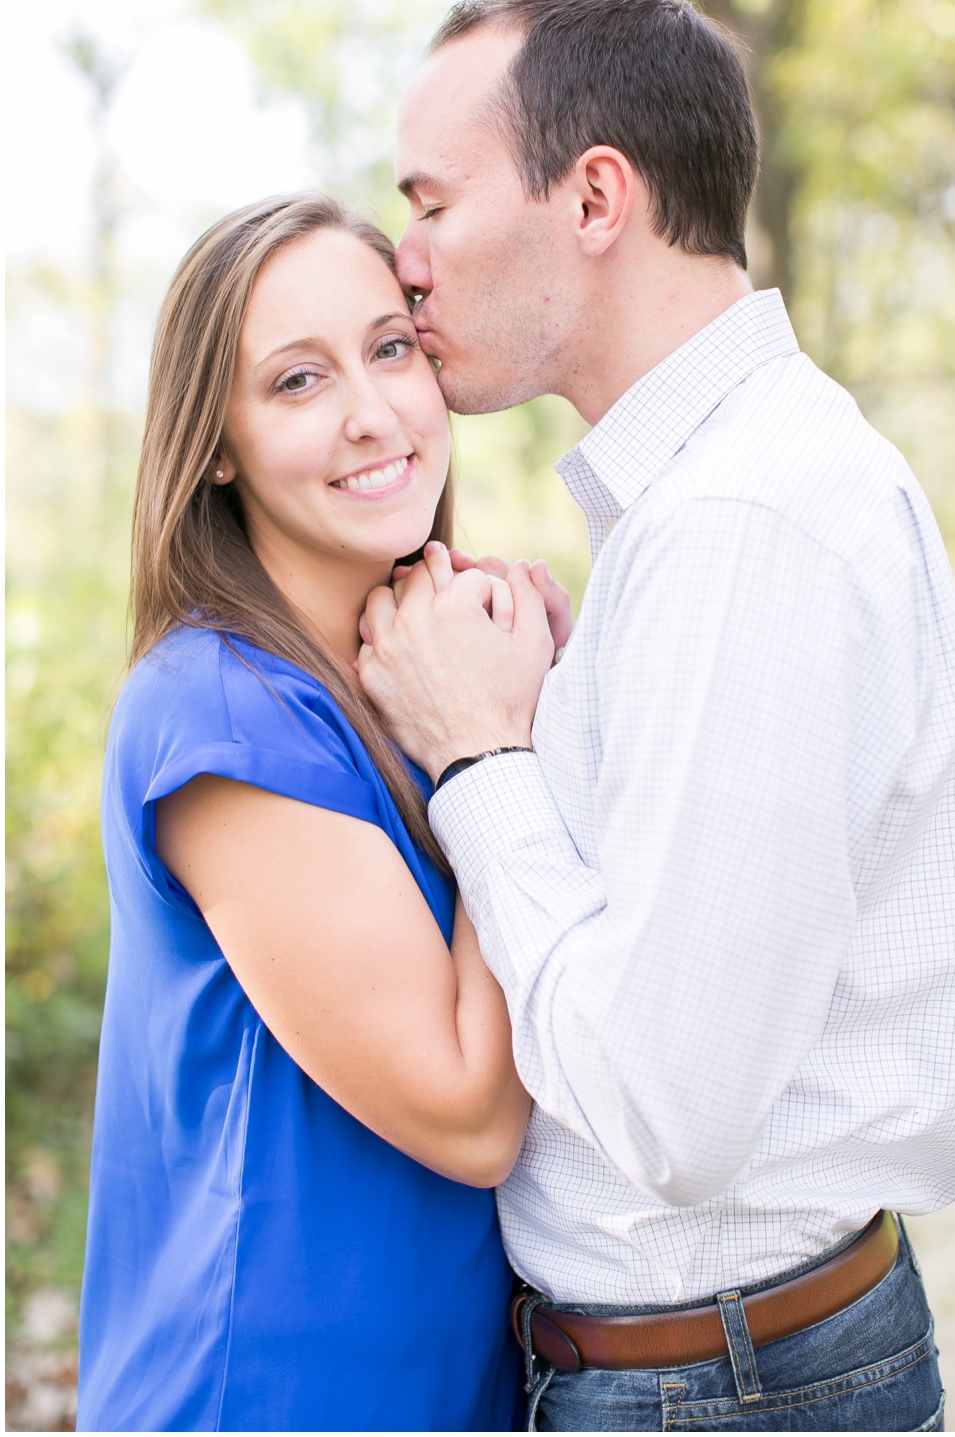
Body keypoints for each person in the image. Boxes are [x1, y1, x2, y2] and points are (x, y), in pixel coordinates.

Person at [353, 0, 955, 1432]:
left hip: (716, 1386)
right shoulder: (701, 504)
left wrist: (482, 755)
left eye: (433, 201)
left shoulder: (744, 522)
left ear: (595, 197)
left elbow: (668, 1109)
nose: (402, 260)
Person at [77, 194, 557, 1430]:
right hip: (266, 1393)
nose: (371, 411)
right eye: (297, 380)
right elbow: (468, 1110)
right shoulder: (220, 710)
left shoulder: (408, 671)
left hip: (447, 1386)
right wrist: (496, 748)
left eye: (390, 346)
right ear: (217, 442)